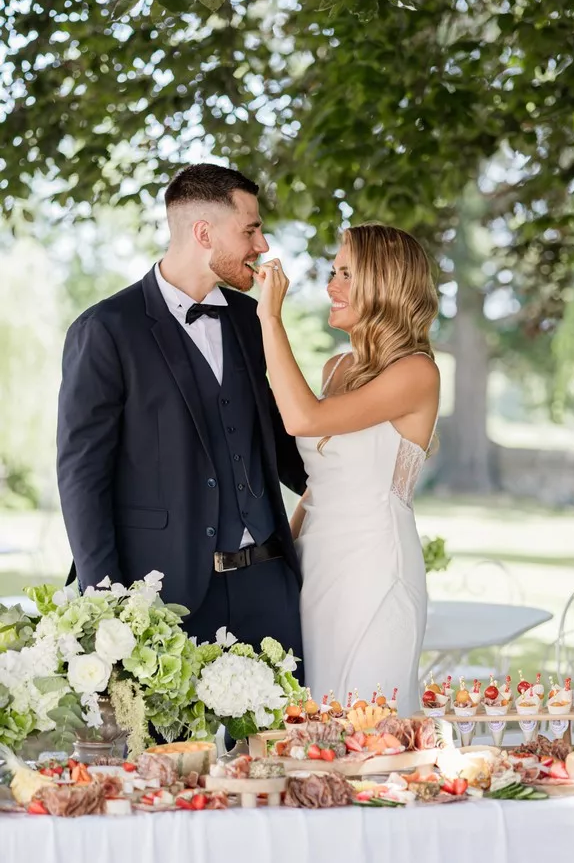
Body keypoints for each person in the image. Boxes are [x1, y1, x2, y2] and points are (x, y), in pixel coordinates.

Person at [57, 163, 306, 675]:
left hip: (269, 585)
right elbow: (82, 476)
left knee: (285, 750)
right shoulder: (106, 329)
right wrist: (107, 603)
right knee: (170, 757)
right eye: (251, 229)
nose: (262, 246)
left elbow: (284, 444)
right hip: (165, 595)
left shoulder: (251, 319)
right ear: (203, 232)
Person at [254, 223, 440, 714]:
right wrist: (285, 559)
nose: (331, 285)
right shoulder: (337, 368)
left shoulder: (417, 372)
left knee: (367, 728)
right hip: (318, 565)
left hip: (375, 566)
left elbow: (302, 419)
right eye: (333, 272)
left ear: (385, 284)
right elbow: (319, 487)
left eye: (346, 274)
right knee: (314, 722)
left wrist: (270, 319)